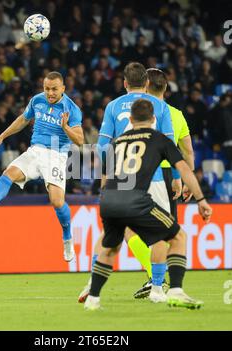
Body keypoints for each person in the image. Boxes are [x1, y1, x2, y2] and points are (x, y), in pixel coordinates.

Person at [84, 99, 212, 311]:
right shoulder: (159, 139)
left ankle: (93, 298)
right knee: (178, 236)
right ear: (153, 119)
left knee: (111, 247)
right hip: (136, 200)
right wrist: (201, 199)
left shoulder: (117, 142)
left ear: (131, 120)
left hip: (109, 200)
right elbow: (184, 170)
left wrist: (105, 202)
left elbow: (105, 177)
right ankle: (175, 291)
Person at [78, 62, 180, 302]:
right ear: (146, 83)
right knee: (162, 235)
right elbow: (170, 146)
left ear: (124, 83)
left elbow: (102, 148)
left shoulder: (112, 107)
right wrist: (176, 178)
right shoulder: (161, 106)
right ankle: (157, 289)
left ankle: (92, 283)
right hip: (153, 176)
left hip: (120, 179)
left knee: (110, 233)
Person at [0, 71, 84, 262]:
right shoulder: (37, 100)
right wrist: (2, 136)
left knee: (56, 201)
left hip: (55, 154)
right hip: (35, 151)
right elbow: (22, 120)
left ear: (63, 88)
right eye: (47, 88)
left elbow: (80, 140)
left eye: (54, 89)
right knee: (8, 173)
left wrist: (66, 128)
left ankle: (67, 238)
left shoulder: (72, 109)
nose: (50, 93)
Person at [131, 68, 195, 299]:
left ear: (145, 86)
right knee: (165, 231)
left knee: (133, 229)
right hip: (171, 176)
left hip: (145, 174)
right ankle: (160, 281)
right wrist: (186, 178)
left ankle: (156, 279)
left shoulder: (139, 111)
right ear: (166, 88)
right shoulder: (175, 113)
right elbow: (187, 150)